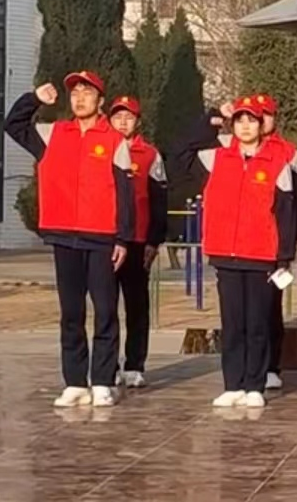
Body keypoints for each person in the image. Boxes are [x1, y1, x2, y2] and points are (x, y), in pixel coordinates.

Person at [4, 71, 133, 408]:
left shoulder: (115, 141)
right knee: (71, 313)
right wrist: (34, 100)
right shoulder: (54, 133)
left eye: (87, 93)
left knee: (105, 311)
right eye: (74, 92)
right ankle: (75, 381)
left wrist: (123, 238)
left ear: (100, 101)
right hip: (64, 235)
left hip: (102, 238)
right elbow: (13, 125)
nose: (79, 98)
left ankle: (102, 380)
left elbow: (125, 193)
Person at [171, 96, 297, 408]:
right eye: (239, 120)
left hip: (261, 255)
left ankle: (255, 385)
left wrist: (283, 256)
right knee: (232, 324)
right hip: (225, 253)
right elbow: (180, 151)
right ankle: (233, 384)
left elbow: (286, 213)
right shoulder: (216, 158)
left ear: (261, 125)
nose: (245, 126)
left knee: (257, 324)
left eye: (251, 120)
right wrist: (213, 118)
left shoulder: (277, 162)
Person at [107, 95, 167, 388]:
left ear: (137, 122)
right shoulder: (100, 150)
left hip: (137, 241)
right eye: (117, 117)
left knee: (137, 307)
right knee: (106, 307)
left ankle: (134, 364)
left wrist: (154, 241)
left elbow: (159, 201)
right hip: (106, 240)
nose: (122, 122)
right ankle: (108, 366)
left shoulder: (150, 155)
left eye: (128, 117)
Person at [256, 93, 297, 392]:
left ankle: (271, 365)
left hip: (274, 243)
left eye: (267, 115)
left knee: (270, 308)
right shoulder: (231, 149)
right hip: (244, 243)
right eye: (257, 115)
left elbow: (295, 201)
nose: (262, 121)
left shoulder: (288, 152)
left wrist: (290, 241)